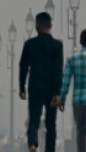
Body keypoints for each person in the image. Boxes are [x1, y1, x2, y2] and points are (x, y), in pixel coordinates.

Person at [18, 12, 64, 152]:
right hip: (51, 89)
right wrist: (57, 92)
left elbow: (23, 66)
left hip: (35, 87)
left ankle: (33, 144)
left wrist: (22, 87)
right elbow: (58, 70)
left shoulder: (30, 44)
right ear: (50, 26)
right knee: (51, 124)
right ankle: (50, 149)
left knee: (34, 119)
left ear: (37, 26)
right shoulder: (57, 46)